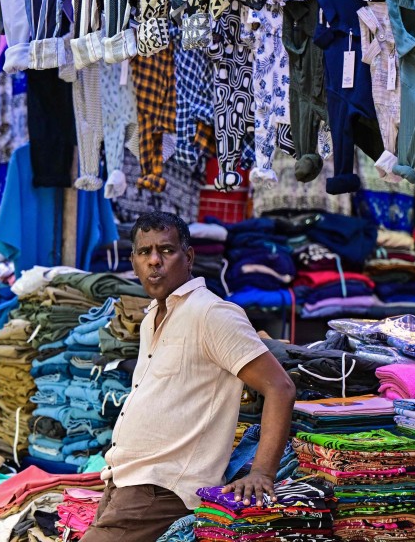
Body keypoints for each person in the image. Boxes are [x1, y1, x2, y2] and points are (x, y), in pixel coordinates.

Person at [81, 211, 296, 542]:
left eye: (166, 250)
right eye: (144, 252)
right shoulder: (153, 315)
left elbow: (280, 387)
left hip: (163, 490)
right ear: (133, 262)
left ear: (189, 256)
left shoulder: (212, 313)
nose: (155, 261)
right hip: (126, 481)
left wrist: (262, 472)